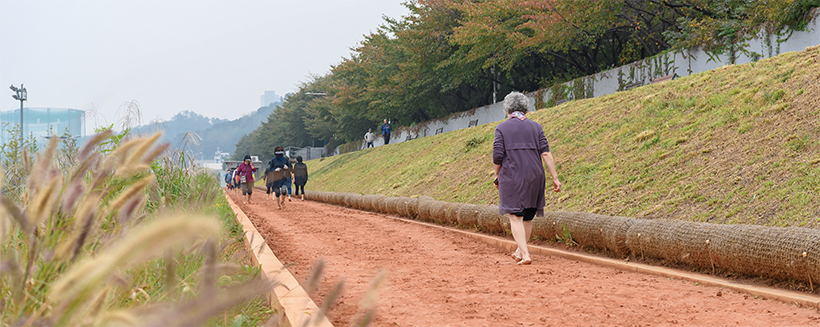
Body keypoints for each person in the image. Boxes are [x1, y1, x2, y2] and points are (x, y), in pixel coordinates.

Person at [492, 91, 561, 265]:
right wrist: (555, 177)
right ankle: (519, 251)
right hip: (536, 176)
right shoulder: (536, 127)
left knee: (515, 216)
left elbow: (498, 155)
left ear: (507, 109)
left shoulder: (502, 128)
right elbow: (545, 152)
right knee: (528, 216)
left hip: (513, 175)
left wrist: (496, 174)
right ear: (525, 109)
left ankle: (525, 254)